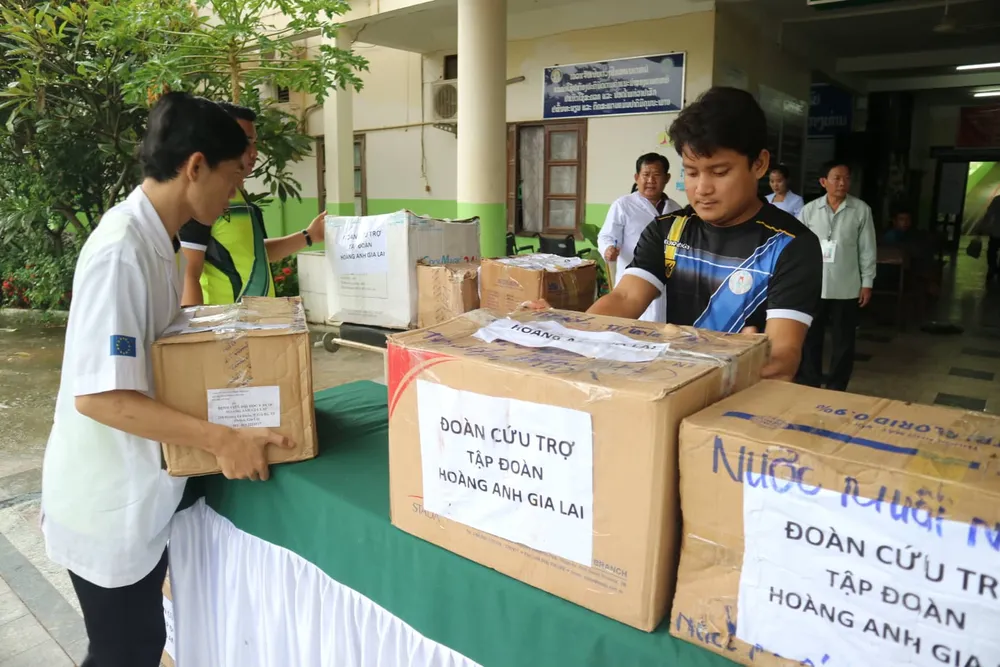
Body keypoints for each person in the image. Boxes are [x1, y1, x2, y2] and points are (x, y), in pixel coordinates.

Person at [41, 92, 294, 667]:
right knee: (123, 652)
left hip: (139, 493)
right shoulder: (120, 252)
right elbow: (102, 396)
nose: (235, 192)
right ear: (195, 166)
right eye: (232, 176)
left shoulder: (159, 240)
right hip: (105, 502)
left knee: (139, 644)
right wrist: (222, 439)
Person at [581, 87, 823, 381]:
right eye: (692, 172)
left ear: (759, 164)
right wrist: (562, 330)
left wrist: (747, 358)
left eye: (719, 172)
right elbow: (624, 298)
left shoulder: (791, 245)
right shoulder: (669, 230)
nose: (702, 188)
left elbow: (783, 358)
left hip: (747, 405)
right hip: (678, 386)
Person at [179, 102, 327, 307]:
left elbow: (257, 254)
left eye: (254, 142)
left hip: (256, 327)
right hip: (224, 330)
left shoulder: (243, 201)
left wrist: (310, 236)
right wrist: (200, 335)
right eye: (243, 141)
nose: (253, 152)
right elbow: (189, 274)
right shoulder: (202, 201)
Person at [795, 160, 877, 391]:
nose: (843, 183)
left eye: (847, 178)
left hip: (846, 286)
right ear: (823, 182)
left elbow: (868, 249)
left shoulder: (861, 210)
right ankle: (809, 380)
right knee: (810, 338)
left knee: (844, 340)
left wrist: (867, 282)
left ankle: (837, 385)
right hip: (814, 286)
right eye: (837, 178)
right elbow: (797, 248)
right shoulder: (809, 210)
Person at [597, 153, 682, 322]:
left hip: (667, 282)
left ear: (667, 178)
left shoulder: (676, 210)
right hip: (633, 282)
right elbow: (607, 235)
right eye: (646, 175)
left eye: (656, 175)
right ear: (637, 178)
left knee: (663, 326)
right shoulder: (623, 205)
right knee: (632, 326)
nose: (650, 180)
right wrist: (608, 249)